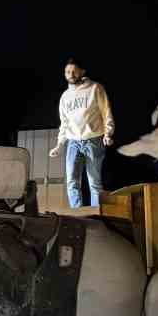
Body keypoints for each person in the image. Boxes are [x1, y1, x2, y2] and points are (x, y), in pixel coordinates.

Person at [50, 59, 115, 208]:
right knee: (72, 181)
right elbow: (64, 124)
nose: (71, 74)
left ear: (82, 72)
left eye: (74, 71)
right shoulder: (65, 96)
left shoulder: (95, 88)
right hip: (73, 142)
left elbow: (106, 112)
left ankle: (96, 216)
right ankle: (77, 214)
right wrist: (59, 144)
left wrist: (108, 133)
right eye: (67, 72)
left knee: (94, 182)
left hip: (93, 139)